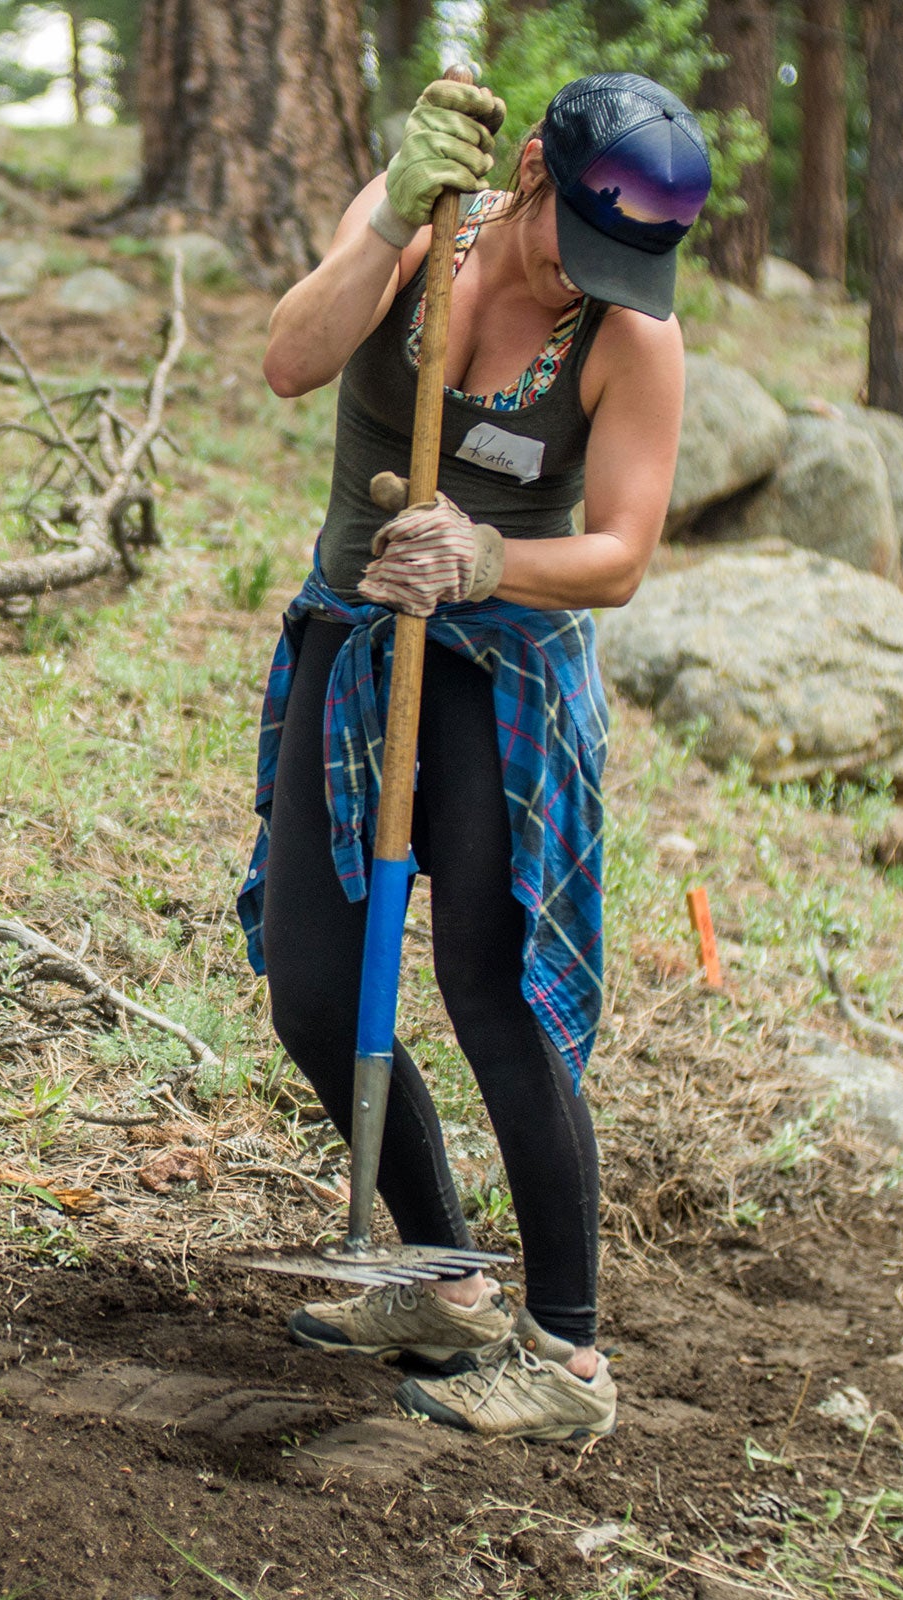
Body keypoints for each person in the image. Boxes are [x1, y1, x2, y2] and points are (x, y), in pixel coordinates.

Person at [236, 71, 712, 1442]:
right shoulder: (420, 226)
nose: (591, 285)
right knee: (317, 992)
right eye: (578, 244)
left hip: (503, 679)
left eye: (632, 267)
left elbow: (620, 554)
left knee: (490, 990)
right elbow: (287, 361)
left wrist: (490, 551)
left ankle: (565, 1359)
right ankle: (443, 1277)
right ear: (530, 175)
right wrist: (386, 209)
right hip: (358, 645)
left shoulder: (633, 335)